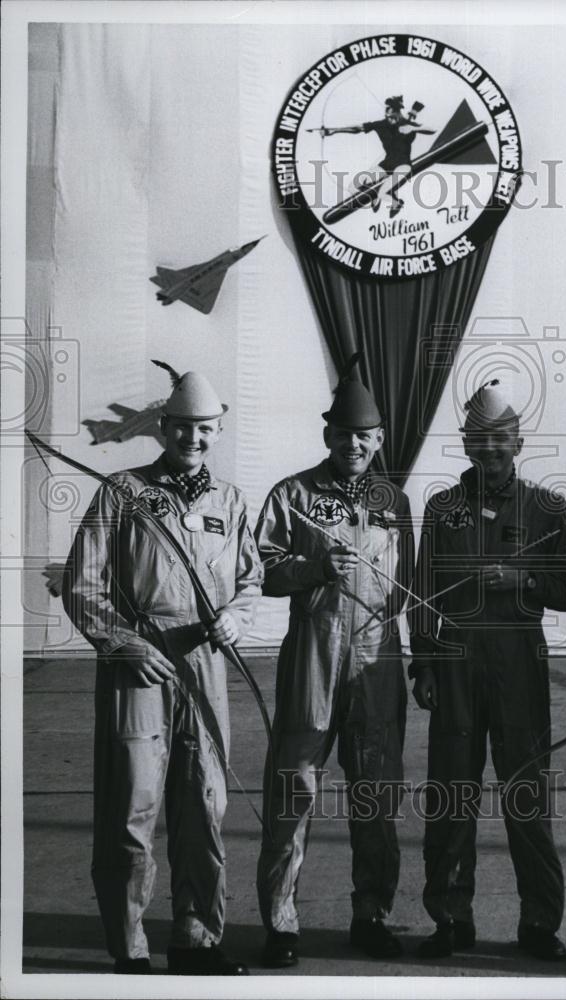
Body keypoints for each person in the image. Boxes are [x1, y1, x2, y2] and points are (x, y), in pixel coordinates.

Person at [62, 366, 262, 975]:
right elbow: (80, 583)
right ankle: (130, 947)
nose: (193, 438)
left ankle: (197, 940)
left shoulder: (230, 501)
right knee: (134, 804)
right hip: (140, 667)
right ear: (164, 428)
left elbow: (249, 579)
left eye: (204, 429)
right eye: (182, 428)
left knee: (205, 801)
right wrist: (122, 642)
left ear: (217, 431)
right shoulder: (121, 491)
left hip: (203, 663)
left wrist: (236, 616)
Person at [409, 380, 566, 960]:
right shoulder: (443, 509)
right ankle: (449, 917)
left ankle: (539, 922)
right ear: (465, 443)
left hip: (519, 667)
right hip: (457, 667)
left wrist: (525, 580)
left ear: (517, 440)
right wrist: (425, 664)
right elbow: (421, 593)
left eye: (500, 439)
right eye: (479, 439)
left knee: (526, 796)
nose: (490, 448)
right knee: (450, 796)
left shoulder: (546, 508)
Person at [256, 357, 414, 968]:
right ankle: (280, 920)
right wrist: (314, 569)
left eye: (365, 436)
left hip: (377, 660)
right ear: (328, 435)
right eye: (344, 434)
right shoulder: (292, 495)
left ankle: (370, 915)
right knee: (293, 787)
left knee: (375, 793)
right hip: (313, 658)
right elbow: (259, 569)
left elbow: (406, 590)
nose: (354, 444)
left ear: (378, 442)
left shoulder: (394, 503)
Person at [323, 95, 435, 218]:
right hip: (386, 164)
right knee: (353, 187)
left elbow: (432, 129)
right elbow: (357, 128)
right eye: (387, 117)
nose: (390, 120)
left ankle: (396, 203)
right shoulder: (382, 124)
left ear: (398, 113)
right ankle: (377, 195)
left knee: (383, 193)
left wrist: (413, 128)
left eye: (392, 117)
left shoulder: (407, 124)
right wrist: (335, 130)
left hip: (403, 165)